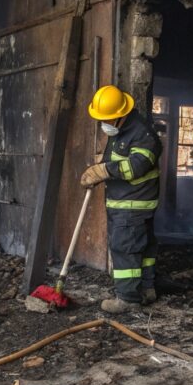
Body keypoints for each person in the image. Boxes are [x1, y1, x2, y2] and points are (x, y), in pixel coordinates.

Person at [80, 85, 163, 313]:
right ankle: (145, 290)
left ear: (121, 114)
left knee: (124, 248)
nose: (103, 124)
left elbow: (136, 167)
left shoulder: (143, 134)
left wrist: (104, 171)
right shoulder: (123, 132)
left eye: (107, 119)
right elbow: (118, 161)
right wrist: (103, 167)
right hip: (130, 204)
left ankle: (127, 299)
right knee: (143, 249)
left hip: (132, 205)